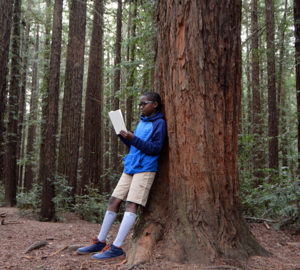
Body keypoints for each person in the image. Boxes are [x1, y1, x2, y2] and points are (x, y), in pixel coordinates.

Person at [77, 92, 167, 261]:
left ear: (154, 104)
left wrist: (133, 138)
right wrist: (124, 136)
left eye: (144, 104)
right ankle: (100, 241)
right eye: (139, 104)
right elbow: (135, 145)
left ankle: (117, 246)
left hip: (145, 168)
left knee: (131, 204)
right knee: (114, 200)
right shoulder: (142, 122)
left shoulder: (159, 123)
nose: (141, 107)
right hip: (131, 166)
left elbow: (155, 148)